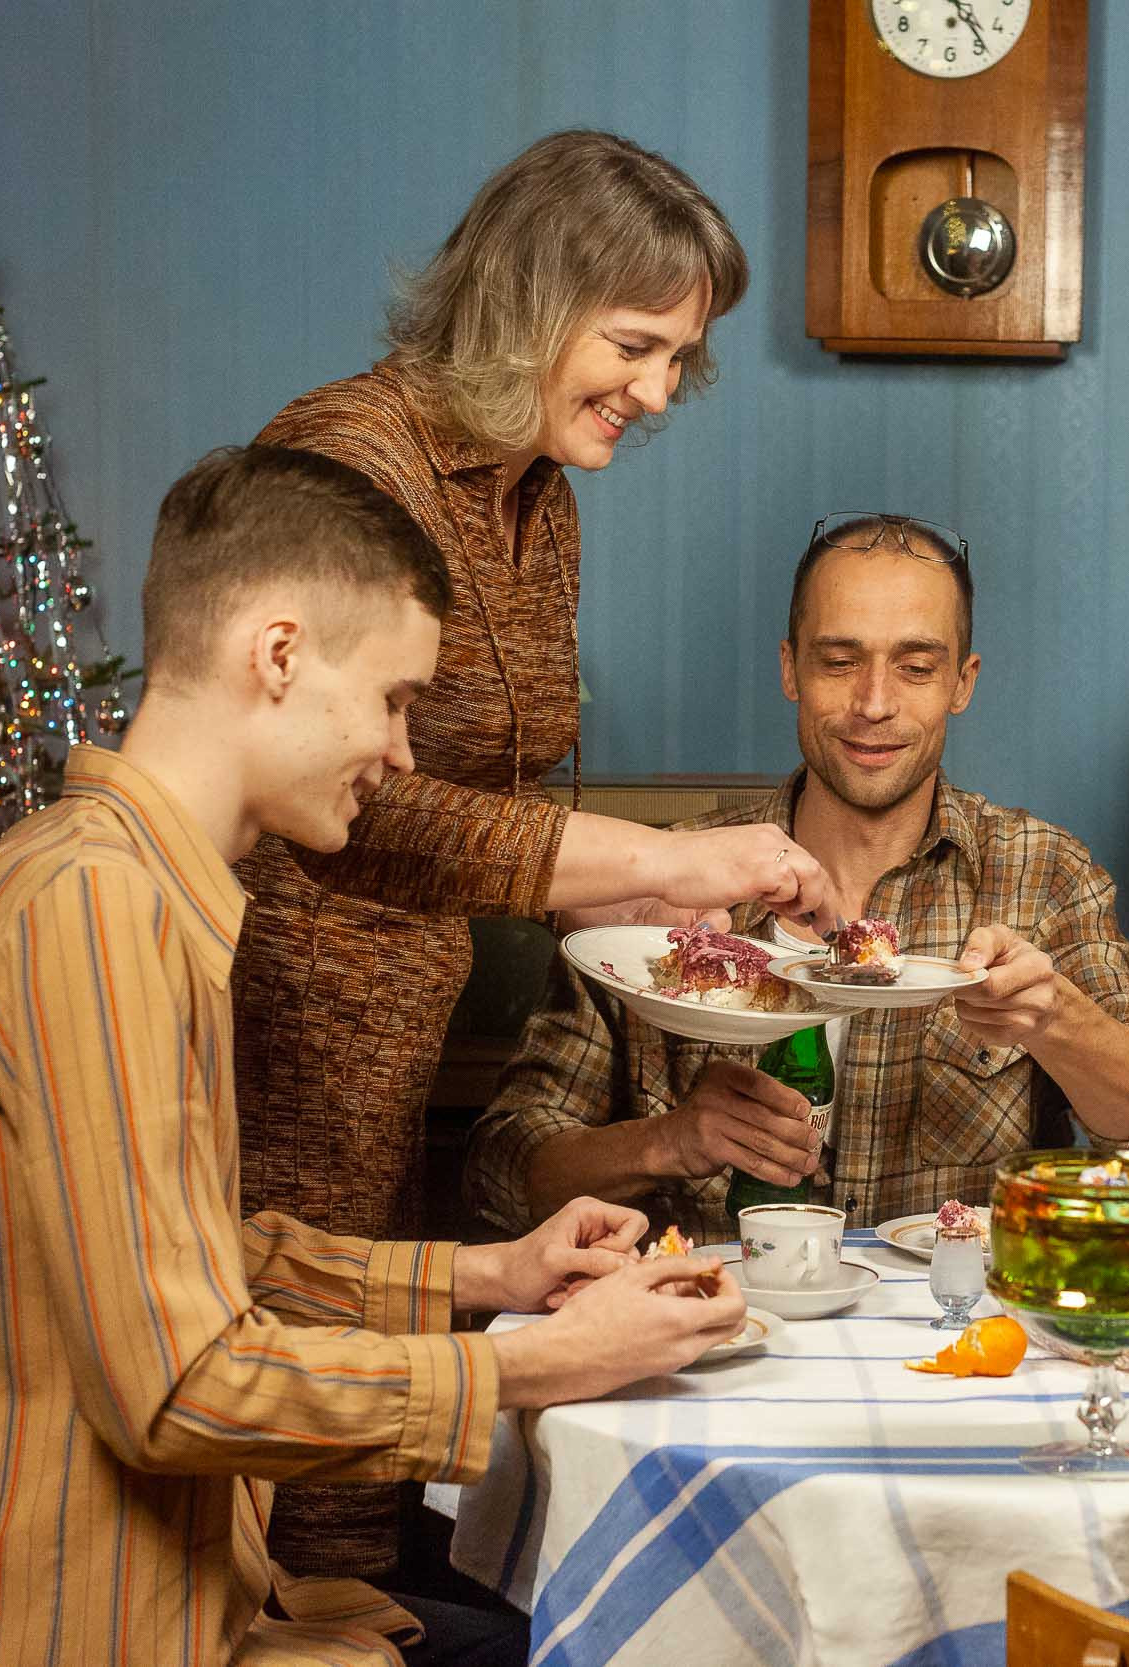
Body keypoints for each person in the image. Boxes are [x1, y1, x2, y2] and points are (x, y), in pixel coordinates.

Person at [0, 447, 745, 1667]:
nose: (399, 753)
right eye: (394, 698)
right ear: (277, 655)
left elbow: (195, 1262)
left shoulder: (112, 883)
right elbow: (177, 1388)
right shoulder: (94, 910)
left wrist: (494, 1277)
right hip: (99, 1631)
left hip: (210, 1599)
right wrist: (535, 1368)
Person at [230, 129, 833, 1576]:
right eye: (635, 345)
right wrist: (667, 861)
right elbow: (356, 799)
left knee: (369, 1455)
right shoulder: (345, 457)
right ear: (523, 304)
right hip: (279, 1009)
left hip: (413, 1020)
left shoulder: (536, 488)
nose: (660, 390)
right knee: (286, 1447)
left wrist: (688, 896)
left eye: (681, 356)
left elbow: (494, 800)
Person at [467, 514, 1129, 1241]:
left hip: (959, 1335)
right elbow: (503, 1170)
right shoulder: (674, 878)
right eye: (839, 660)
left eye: (916, 667)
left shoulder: (1042, 871)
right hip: (709, 1332)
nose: (874, 703)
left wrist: (1056, 1023)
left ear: (962, 681)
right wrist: (668, 1142)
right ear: (790, 667)